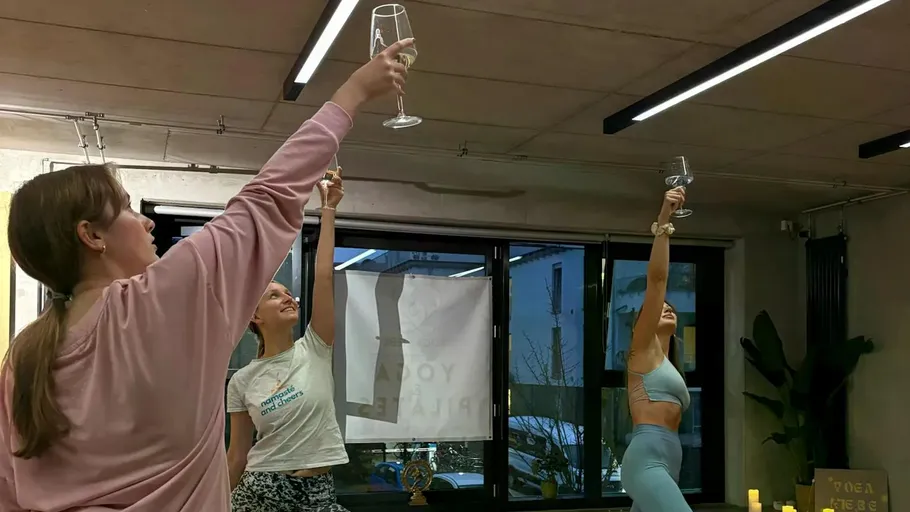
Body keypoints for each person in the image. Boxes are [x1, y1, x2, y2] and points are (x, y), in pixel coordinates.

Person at [0, 39, 414, 512]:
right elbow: (269, 196)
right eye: (128, 209)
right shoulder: (167, 299)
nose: (147, 222)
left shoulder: (23, 359)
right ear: (92, 236)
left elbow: (9, 492)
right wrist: (355, 90)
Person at [226, 172, 348, 512]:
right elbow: (236, 455)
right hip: (260, 493)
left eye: (287, 292)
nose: (288, 297)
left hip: (320, 494)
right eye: (273, 296)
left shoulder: (316, 348)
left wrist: (328, 208)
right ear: (255, 316)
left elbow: (323, 276)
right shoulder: (242, 381)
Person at [621, 187, 692, 512]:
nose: (667, 308)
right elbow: (658, 279)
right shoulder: (642, 353)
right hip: (646, 460)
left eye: (671, 308)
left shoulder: (670, 364)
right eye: (657, 308)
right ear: (640, 324)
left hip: (669, 461)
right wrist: (664, 220)